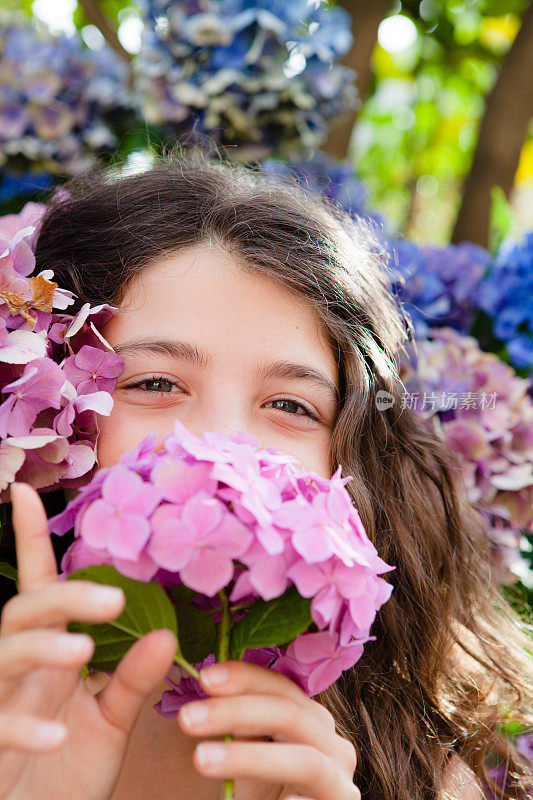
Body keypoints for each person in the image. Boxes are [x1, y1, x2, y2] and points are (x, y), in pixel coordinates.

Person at [0, 145, 532, 800]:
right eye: (156, 381)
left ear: (350, 453)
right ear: (44, 414)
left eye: (289, 404)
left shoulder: (434, 778)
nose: (224, 446)